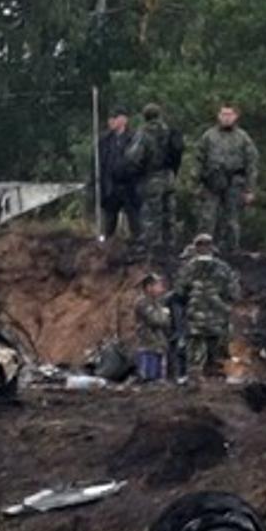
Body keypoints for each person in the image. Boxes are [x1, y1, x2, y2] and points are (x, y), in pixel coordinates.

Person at [193, 106, 258, 251]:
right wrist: (197, 183)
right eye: (223, 114)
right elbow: (198, 160)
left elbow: (251, 164)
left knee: (231, 221)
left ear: (236, 116)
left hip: (234, 182)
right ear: (218, 116)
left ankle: (232, 251)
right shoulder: (209, 136)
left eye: (230, 114)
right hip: (212, 182)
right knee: (207, 218)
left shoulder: (243, 137)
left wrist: (250, 189)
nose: (226, 117)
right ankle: (204, 251)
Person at [176, 234, 237, 378]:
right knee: (215, 349)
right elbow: (233, 292)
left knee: (195, 352)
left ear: (196, 247)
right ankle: (214, 376)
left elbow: (180, 292)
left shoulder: (188, 268)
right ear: (212, 247)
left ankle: (196, 379)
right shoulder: (224, 268)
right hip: (217, 316)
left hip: (195, 316)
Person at [136, 102, 182, 258]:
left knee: (151, 213)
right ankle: (171, 246)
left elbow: (135, 156)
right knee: (169, 213)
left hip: (152, 177)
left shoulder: (145, 133)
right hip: (169, 176)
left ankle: (152, 248)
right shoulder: (169, 130)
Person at [95, 110, 142, 243]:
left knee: (135, 221)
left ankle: (138, 248)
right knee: (109, 223)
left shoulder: (134, 138)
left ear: (124, 120)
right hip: (111, 187)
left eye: (115, 118)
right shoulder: (104, 140)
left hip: (129, 186)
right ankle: (106, 247)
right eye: (110, 118)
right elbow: (100, 163)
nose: (111, 121)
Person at [130, 272, 174, 381]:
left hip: (158, 346)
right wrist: (165, 314)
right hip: (148, 347)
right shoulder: (143, 303)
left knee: (158, 381)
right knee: (148, 379)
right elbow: (156, 320)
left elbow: (167, 323)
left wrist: (165, 316)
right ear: (149, 287)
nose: (161, 288)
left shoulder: (157, 303)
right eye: (158, 285)